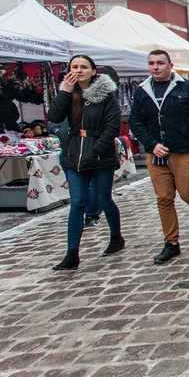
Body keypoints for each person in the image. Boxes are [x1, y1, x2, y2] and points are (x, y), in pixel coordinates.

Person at [129, 49, 189, 264]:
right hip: (156, 153)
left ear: (170, 65)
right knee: (164, 199)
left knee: (187, 193)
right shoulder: (142, 91)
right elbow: (136, 121)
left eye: (160, 63)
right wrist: (151, 144)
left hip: (184, 150)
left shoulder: (187, 88)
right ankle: (171, 243)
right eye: (151, 63)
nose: (156, 67)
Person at [47, 54, 124, 270]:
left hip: (100, 156)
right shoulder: (67, 93)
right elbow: (53, 116)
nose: (79, 70)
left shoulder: (106, 95)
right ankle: (72, 254)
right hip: (74, 156)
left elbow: (112, 126)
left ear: (93, 71)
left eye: (84, 67)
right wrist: (65, 91)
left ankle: (116, 237)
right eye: (75, 67)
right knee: (77, 203)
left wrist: (97, 148)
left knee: (103, 199)